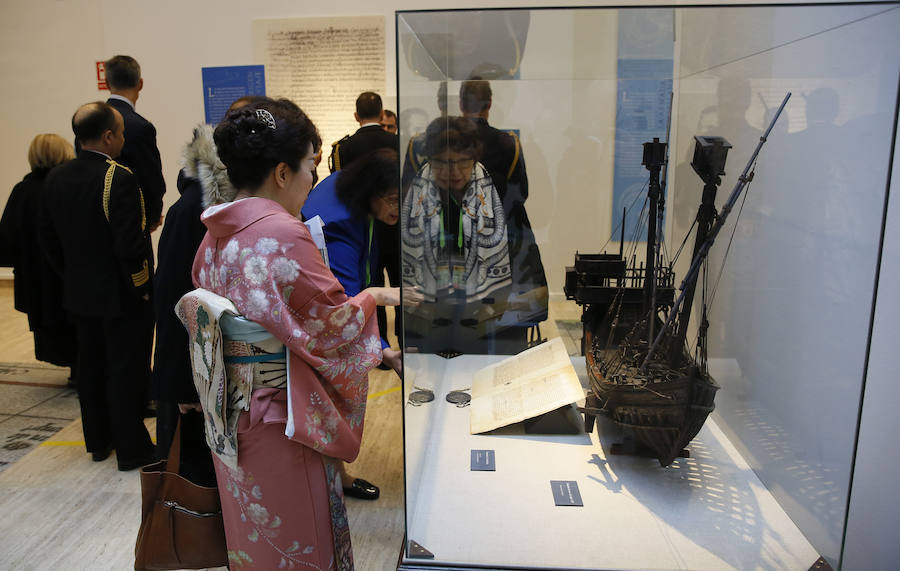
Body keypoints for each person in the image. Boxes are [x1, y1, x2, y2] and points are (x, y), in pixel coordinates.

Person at [176, 97, 399, 570]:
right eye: (307, 169)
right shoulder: (282, 233)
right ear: (281, 172)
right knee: (301, 541)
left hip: (231, 415)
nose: (311, 180)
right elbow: (332, 326)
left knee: (253, 539)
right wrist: (374, 299)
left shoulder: (215, 232)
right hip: (283, 420)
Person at [152, 95, 265, 485]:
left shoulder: (239, 206)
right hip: (195, 378)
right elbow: (173, 299)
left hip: (222, 373)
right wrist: (184, 385)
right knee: (192, 488)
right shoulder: (193, 211)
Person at [38, 102, 155, 470]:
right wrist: (143, 288)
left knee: (90, 368)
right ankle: (132, 449)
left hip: (79, 293)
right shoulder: (119, 178)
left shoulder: (56, 177)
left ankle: (98, 442)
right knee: (126, 370)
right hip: (120, 296)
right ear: (108, 136)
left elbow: (48, 241)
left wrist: (71, 277)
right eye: (120, 133)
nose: (122, 139)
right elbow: (131, 247)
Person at [301, 148, 402, 502]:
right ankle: (330, 480)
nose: (397, 211)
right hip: (325, 326)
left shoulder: (349, 190)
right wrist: (384, 350)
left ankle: (334, 475)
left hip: (332, 318)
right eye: (392, 201)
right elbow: (345, 304)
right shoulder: (341, 220)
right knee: (331, 403)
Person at [401, 115, 519, 355]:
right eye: (442, 162)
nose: (452, 171)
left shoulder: (497, 189)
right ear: (430, 160)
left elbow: (517, 247)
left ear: (474, 159)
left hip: (482, 311)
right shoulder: (417, 193)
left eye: (462, 162)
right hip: (431, 308)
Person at [458, 79, 549, 342]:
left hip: (462, 241)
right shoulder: (508, 143)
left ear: (461, 104)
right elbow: (521, 192)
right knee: (512, 326)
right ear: (489, 105)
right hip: (506, 236)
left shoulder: (447, 143)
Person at [0, 134, 77, 377]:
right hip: (63, 273)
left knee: (51, 326)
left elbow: (7, 237)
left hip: (33, 275)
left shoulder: (22, 190)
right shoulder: (64, 187)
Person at [104, 55, 166, 232]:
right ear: (140, 83)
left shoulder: (89, 123)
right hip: (132, 220)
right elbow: (150, 177)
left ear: (108, 83)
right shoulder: (140, 127)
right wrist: (152, 217)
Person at [328, 91, 398, 172]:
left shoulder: (342, 147)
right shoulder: (397, 142)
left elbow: (337, 181)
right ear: (382, 115)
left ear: (356, 116)